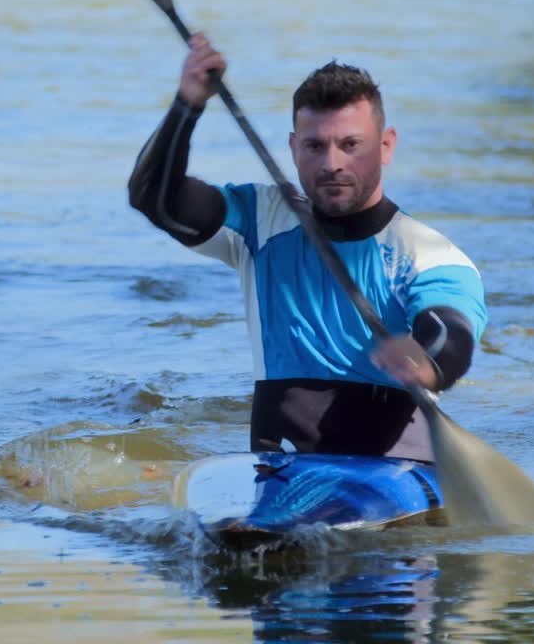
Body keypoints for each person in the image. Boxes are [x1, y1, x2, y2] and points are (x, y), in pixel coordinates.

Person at [129, 34, 487, 462]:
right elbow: (154, 198)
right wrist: (187, 106)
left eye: (351, 145)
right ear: (293, 148)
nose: (332, 163)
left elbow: (451, 330)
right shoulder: (258, 221)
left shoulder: (428, 252)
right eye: (315, 146)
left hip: (395, 471)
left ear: (386, 146)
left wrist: (426, 359)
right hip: (279, 468)